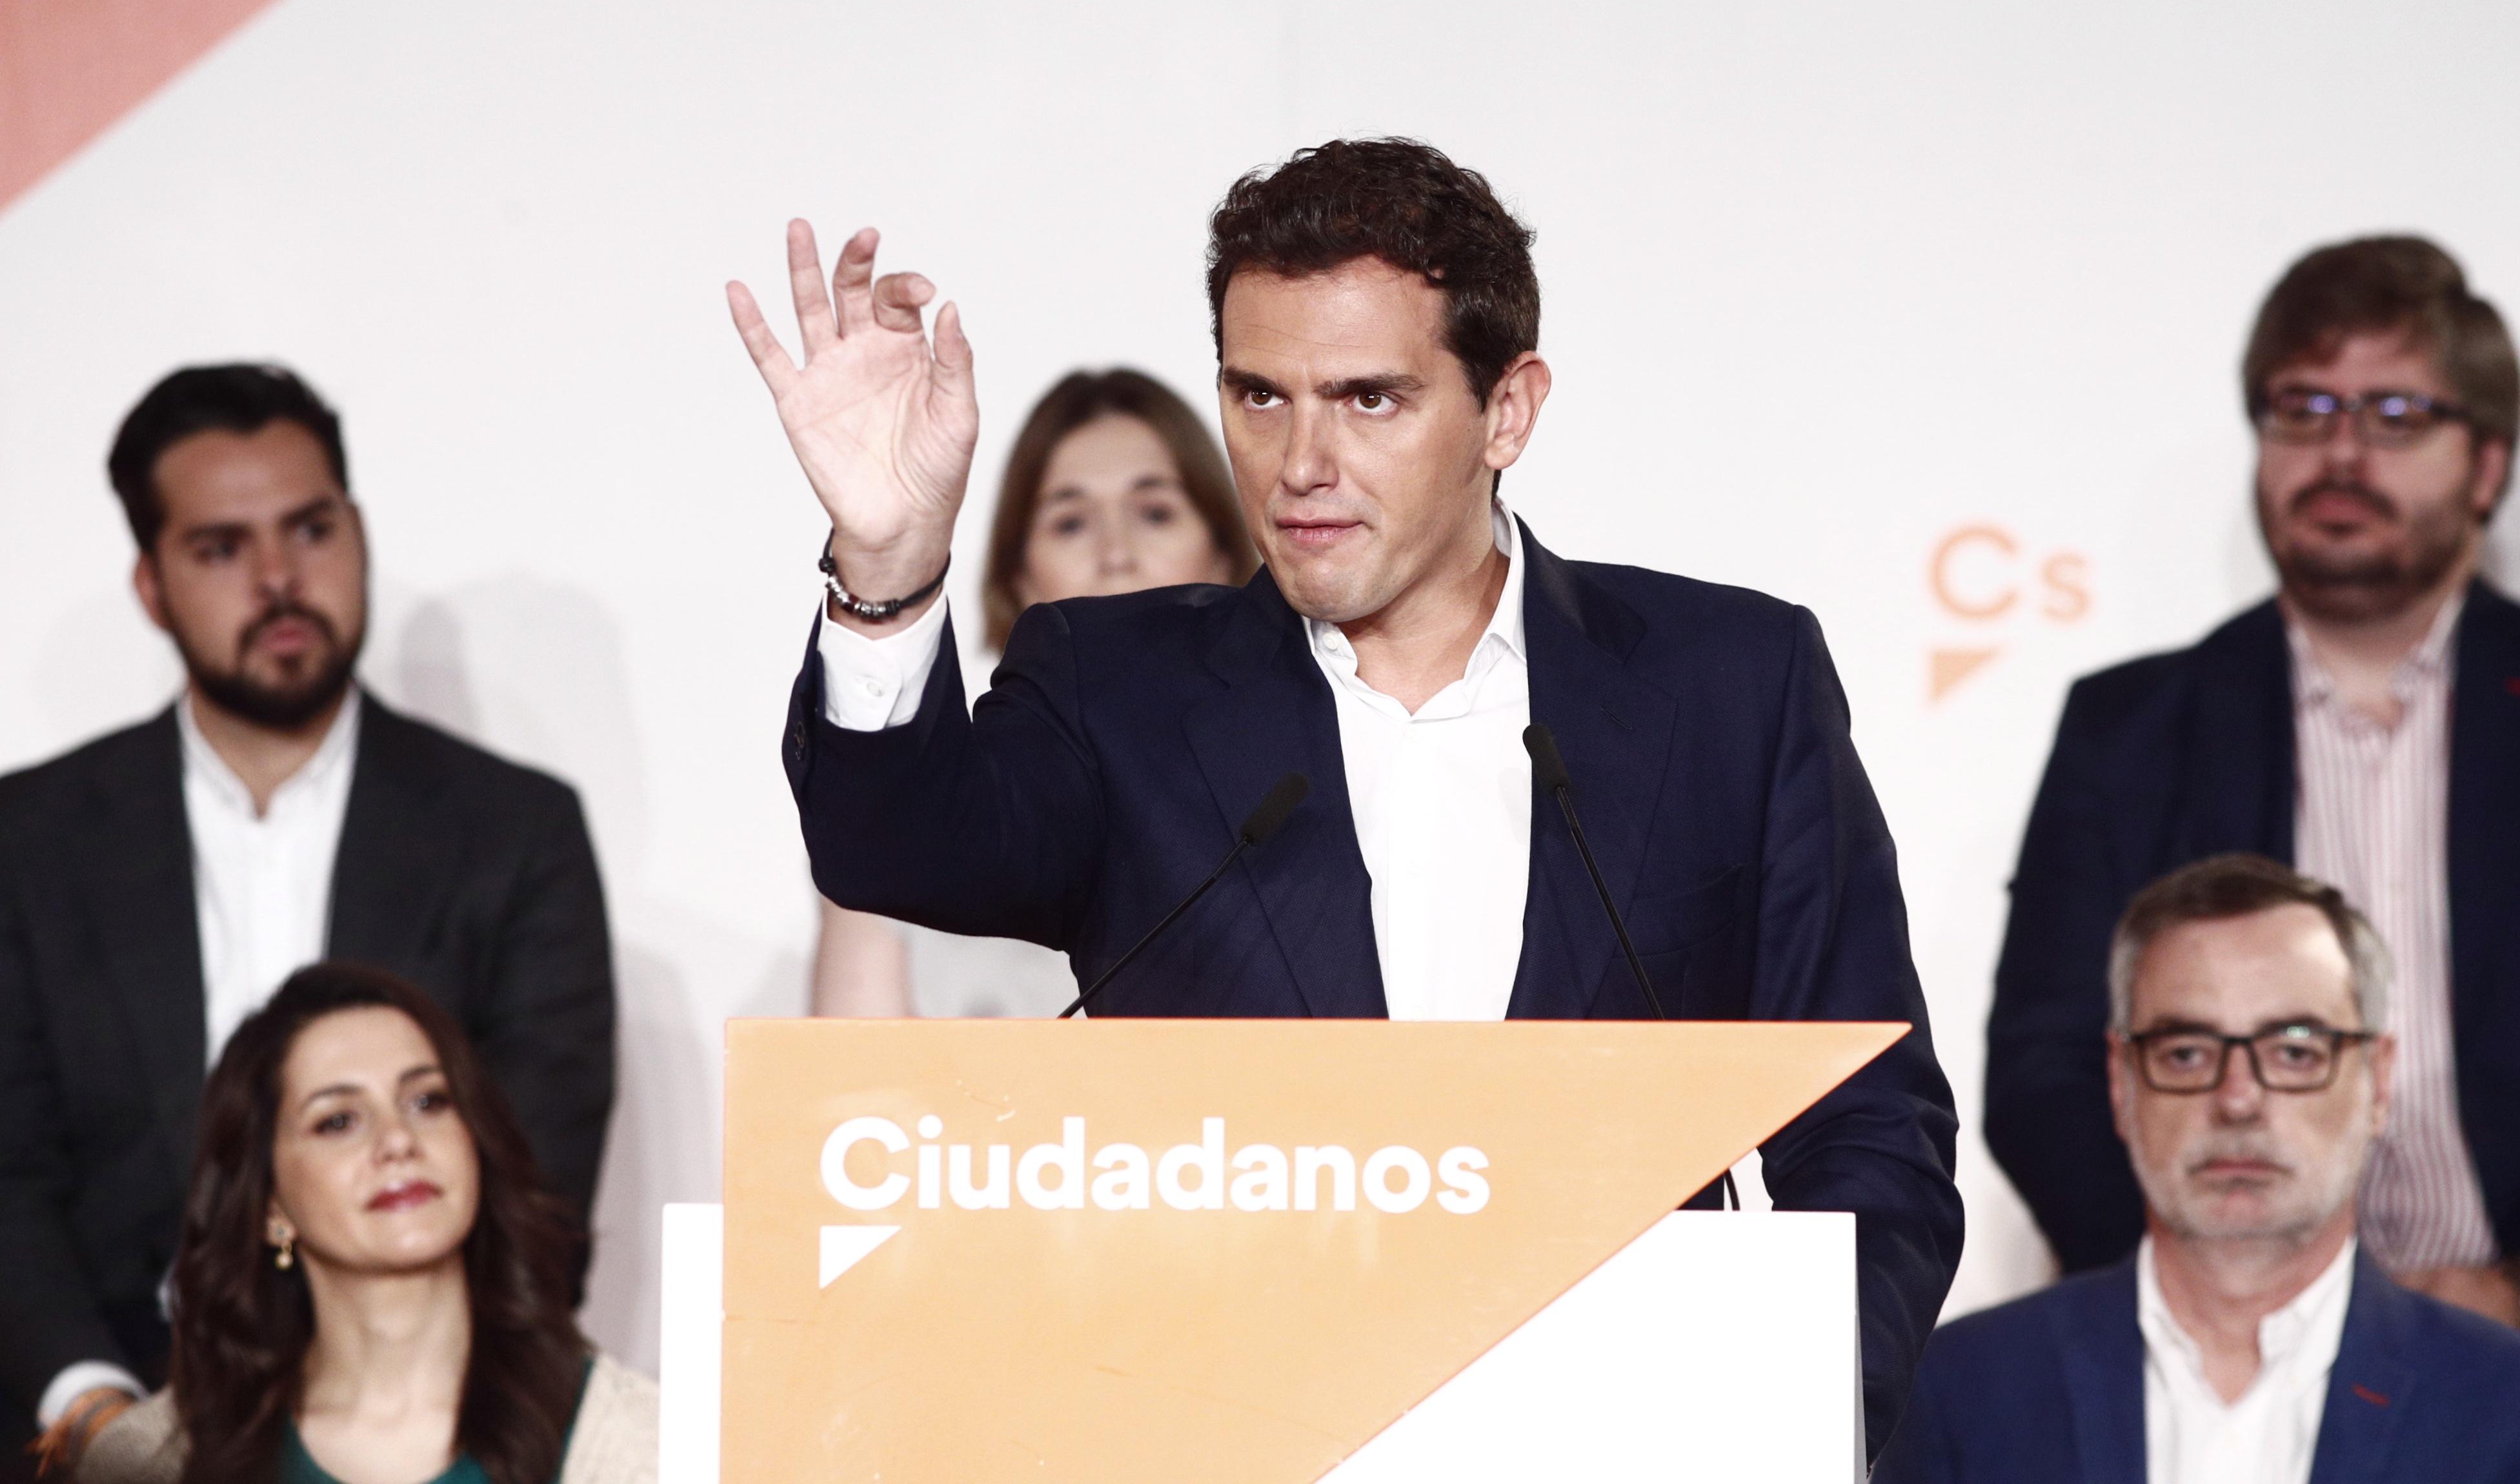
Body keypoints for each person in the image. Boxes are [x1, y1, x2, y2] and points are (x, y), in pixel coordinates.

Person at [727, 137, 1963, 1455]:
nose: (1299, 461)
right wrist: (890, 565)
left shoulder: (1728, 684)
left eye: (1368, 400)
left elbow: (1870, 1121)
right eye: (1259, 397)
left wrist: (1799, 1418)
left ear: (1507, 410)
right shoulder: (1119, 687)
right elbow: (894, 848)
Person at [1984, 237, 2520, 1479]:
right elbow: (2041, 1063)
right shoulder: (2133, 725)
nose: (2340, 452)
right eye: (2305, 408)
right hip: (2208, 1284)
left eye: (2394, 413)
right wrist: (2209, 1275)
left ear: (2486, 462)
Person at [0, 366, 616, 1476]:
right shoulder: (29, 839)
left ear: (358, 531)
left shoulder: (513, 830)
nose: (280, 578)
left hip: (437, 1423)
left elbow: (536, 1179)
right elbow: (6, 1168)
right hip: (99, 1417)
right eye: (222, 547)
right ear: (151, 582)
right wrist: (101, 1421)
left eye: (309, 528)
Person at [1883, 855, 2520, 1484]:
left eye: (2295, 1051)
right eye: (2187, 1053)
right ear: (2120, 1081)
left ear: (2379, 1082)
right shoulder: (1962, 1393)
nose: (2238, 1100)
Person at [68, 962, 654, 1484]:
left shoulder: (643, 1441)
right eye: (339, 1121)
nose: (398, 1140)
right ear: (270, 1201)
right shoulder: (151, 1459)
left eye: (428, 1101)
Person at [810, 367, 1256, 1019]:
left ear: (1225, 555)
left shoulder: (1298, 791)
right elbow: (850, 1103)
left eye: (1155, 512)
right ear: (1017, 578)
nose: (1115, 552)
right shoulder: (923, 824)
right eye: (1071, 522)